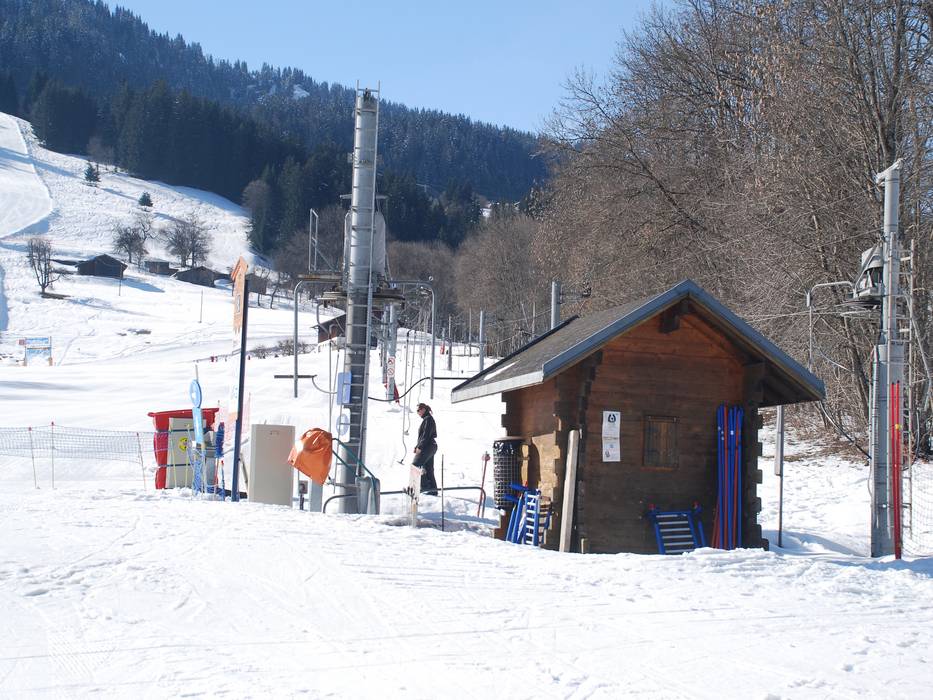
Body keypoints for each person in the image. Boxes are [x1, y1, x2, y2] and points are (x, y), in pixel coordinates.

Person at [413, 402, 438, 495]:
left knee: (415, 465)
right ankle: (433, 490)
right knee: (428, 468)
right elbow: (423, 436)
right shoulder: (427, 419)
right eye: (417, 411)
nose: (418, 412)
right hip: (430, 446)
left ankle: (425, 487)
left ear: (423, 409)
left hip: (428, 446)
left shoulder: (428, 419)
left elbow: (426, 435)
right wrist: (417, 446)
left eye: (418, 410)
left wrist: (420, 447)